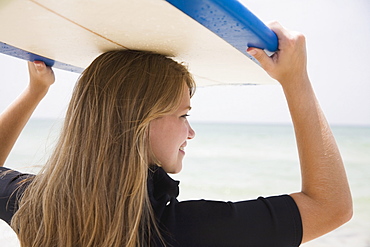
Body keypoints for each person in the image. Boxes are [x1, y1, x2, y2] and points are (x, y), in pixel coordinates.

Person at [0, 22, 352, 247]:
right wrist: (296, 80)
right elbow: (330, 207)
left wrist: (35, 92)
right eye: (183, 114)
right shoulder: (185, 231)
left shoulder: (37, 206)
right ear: (141, 121)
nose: (191, 131)